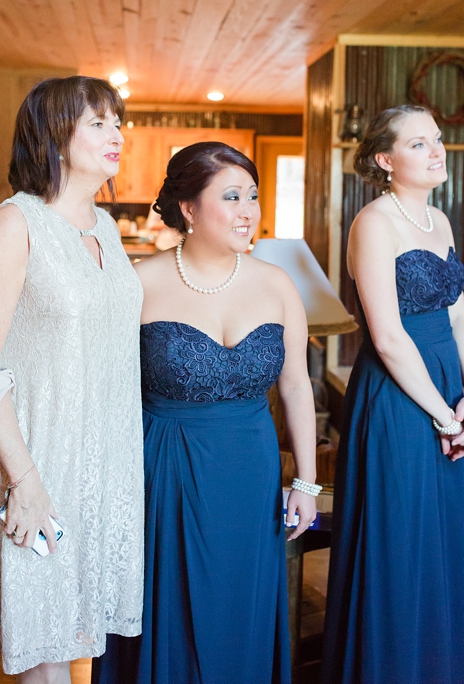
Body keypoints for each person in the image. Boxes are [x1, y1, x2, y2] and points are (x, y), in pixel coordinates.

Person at [94, 142, 318, 684]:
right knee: (169, 612)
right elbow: (104, 392)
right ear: (189, 209)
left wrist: (306, 483)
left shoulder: (278, 284)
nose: (249, 211)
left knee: (241, 611)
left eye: (254, 197)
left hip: (252, 472)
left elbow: (296, 385)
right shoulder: (138, 283)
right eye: (232, 196)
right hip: (164, 471)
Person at [0, 76, 144, 682]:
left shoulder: (104, 228)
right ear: (53, 133)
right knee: (41, 654)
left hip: (103, 467)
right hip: (38, 463)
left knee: (77, 645)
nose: (116, 134)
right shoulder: (16, 223)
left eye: (117, 121)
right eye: (97, 122)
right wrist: (25, 480)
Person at [321, 106, 464, 683]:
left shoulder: (441, 222)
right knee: (402, 540)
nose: (438, 151)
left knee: (445, 538)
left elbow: (457, 316)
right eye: (420, 143)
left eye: (438, 140)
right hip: (401, 399)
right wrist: (445, 418)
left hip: (450, 389)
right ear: (385, 159)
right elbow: (385, 334)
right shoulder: (372, 223)